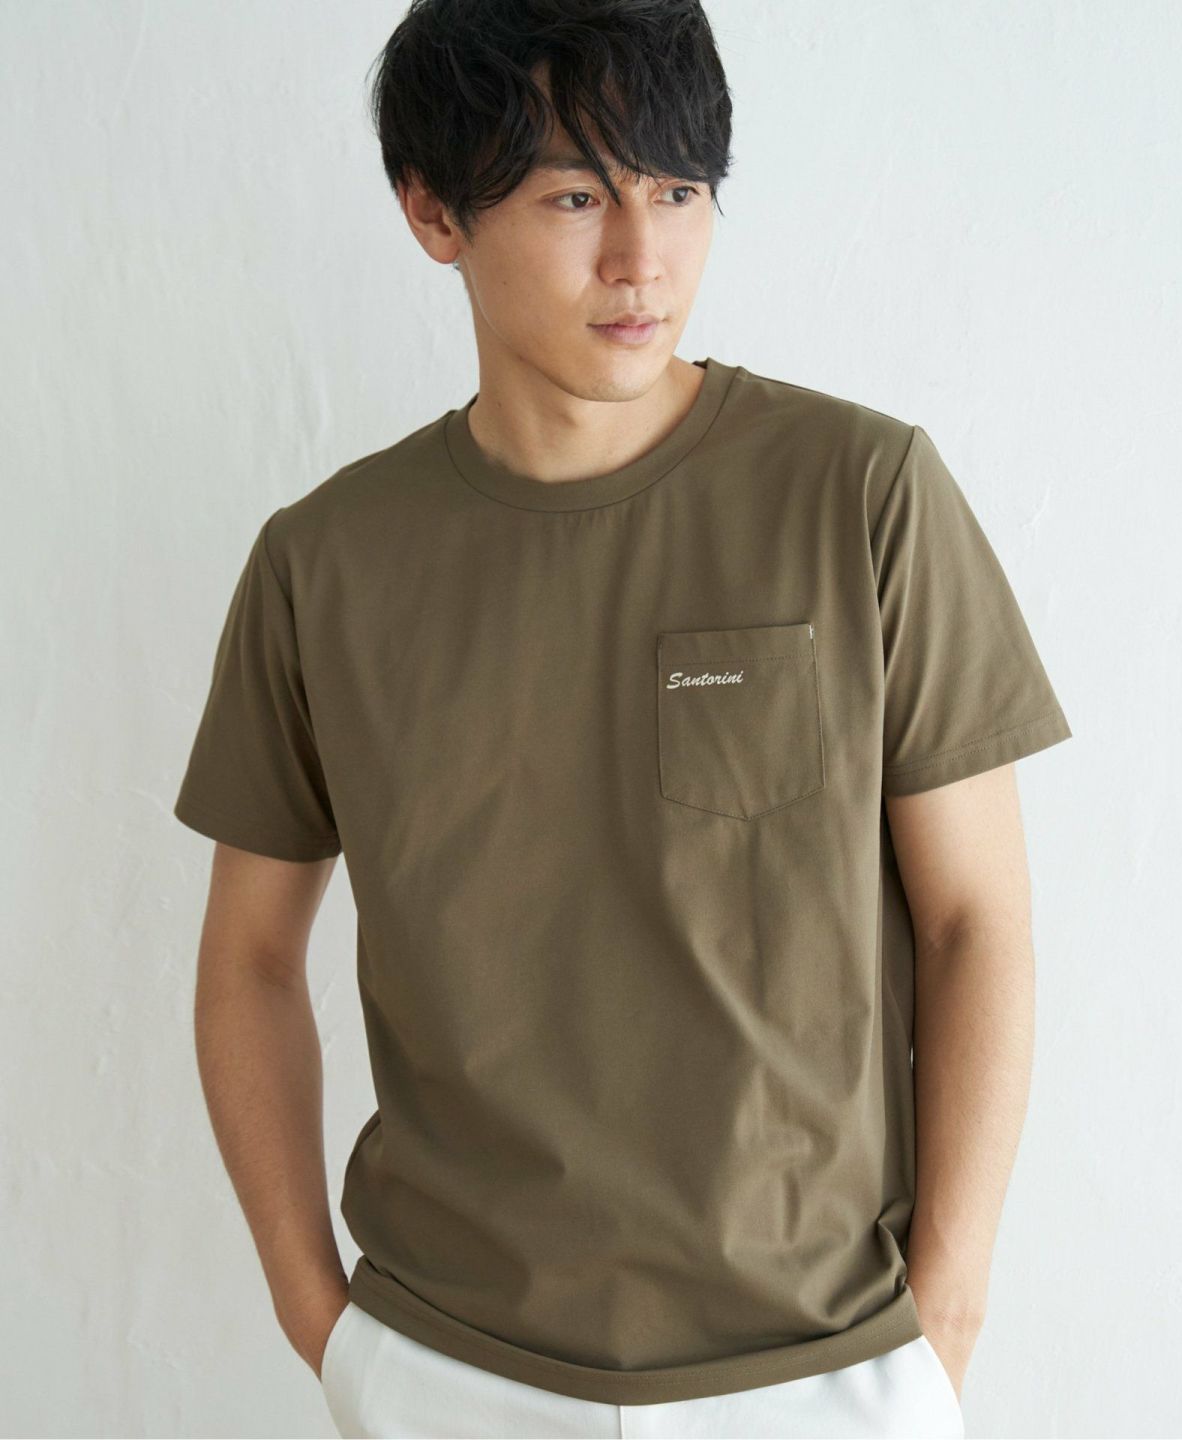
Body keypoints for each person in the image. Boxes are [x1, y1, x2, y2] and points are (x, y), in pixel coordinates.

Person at [173, 2, 1072, 1436]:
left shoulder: (862, 496)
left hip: (821, 1372)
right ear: (432, 212)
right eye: (576, 197)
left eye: (679, 190)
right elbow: (249, 959)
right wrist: (319, 1320)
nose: (642, 258)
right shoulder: (324, 563)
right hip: (449, 1371)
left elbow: (980, 924)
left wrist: (941, 1331)